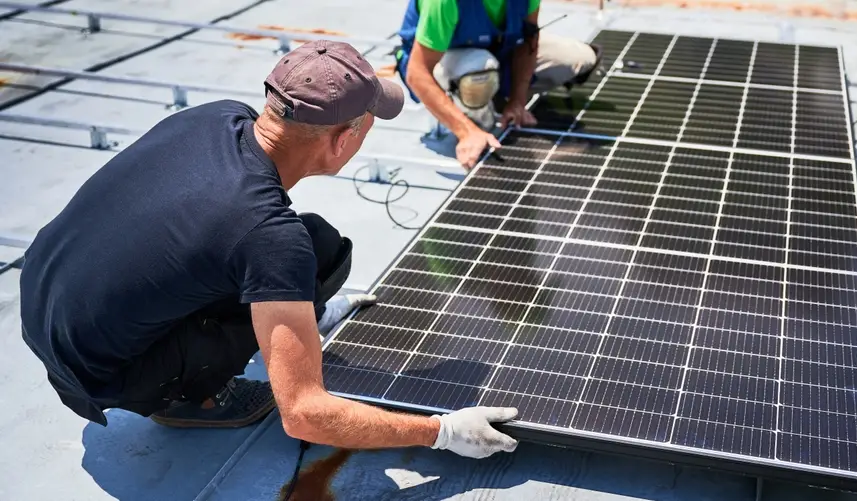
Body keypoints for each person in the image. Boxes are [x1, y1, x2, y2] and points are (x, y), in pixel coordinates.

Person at [19, 40, 519, 459]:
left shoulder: (218, 117)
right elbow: (305, 415)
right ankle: (192, 399)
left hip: (44, 304)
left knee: (317, 246)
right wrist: (441, 432)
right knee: (295, 256)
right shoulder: (267, 234)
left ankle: (276, 324)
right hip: (98, 371)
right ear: (342, 142)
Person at [395, 0, 602, 168]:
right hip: (439, 56)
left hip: (499, 46)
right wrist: (466, 132)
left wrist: (517, 100)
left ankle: (494, 95)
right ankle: (473, 114)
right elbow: (417, 73)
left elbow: (529, 43)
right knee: (479, 72)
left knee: (581, 59)